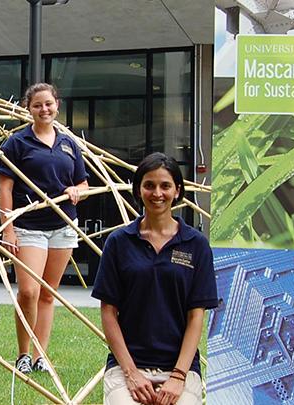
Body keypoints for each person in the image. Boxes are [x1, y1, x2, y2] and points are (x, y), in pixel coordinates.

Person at [92, 153, 216, 405]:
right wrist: (131, 373)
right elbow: (108, 313)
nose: (157, 193)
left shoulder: (196, 245)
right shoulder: (119, 242)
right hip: (128, 366)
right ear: (138, 190)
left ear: (177, 190)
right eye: (149, 185)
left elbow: (196, 316)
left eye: (165, 185)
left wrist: (179, 376)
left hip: (180, 368)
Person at [0, 83, 89, 374]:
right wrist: (8, 229)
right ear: (29, 108)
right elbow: (5, 188)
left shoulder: (68, 143)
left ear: (57, 105)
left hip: (62, 226)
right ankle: (23, 354)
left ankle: (40, 356)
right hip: (28, 227)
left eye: (48, 104)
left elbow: (84, 184)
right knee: (28, 291)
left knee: (48, 294)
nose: (44, 109)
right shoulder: (17, 143)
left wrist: (77, 190)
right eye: (37, 105)